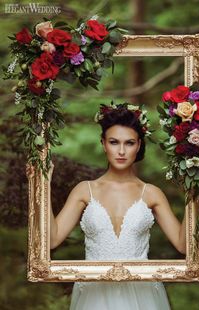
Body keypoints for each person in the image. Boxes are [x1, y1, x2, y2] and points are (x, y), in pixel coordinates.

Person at [49, 101, 186, 310]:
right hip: (94, 293)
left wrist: (195, 193)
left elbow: (183, 245)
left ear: (139, 145)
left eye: (129, 143)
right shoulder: (84, 190)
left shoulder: (151, 193)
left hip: (143, 293)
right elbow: (51, 240)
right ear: (103, 143)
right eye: (114, 142)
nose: (121, 151)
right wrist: (42, 186)